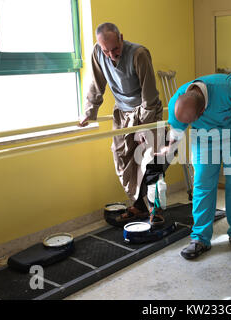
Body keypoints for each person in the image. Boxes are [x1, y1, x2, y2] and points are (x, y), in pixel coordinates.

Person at [165, 73, 231, 259]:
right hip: (204, 138)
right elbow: (176, 130)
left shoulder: (228, 87)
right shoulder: (178, 101)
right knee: (202, 184)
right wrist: (168, 149)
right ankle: (200, 238)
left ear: (202, 112)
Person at [79, 23, 164, 226]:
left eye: (115, 49)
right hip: (123, 114)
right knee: (122, 157)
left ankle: (156, 208)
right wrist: (89, 112)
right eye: (106, 50)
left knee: (151, 161)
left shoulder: (139, 54)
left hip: (147, 111)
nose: (111, 55)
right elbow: (96, 83)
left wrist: (144, 125)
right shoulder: (98, 53)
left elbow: (149, 93)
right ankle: (139, 206)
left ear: (121, 38)